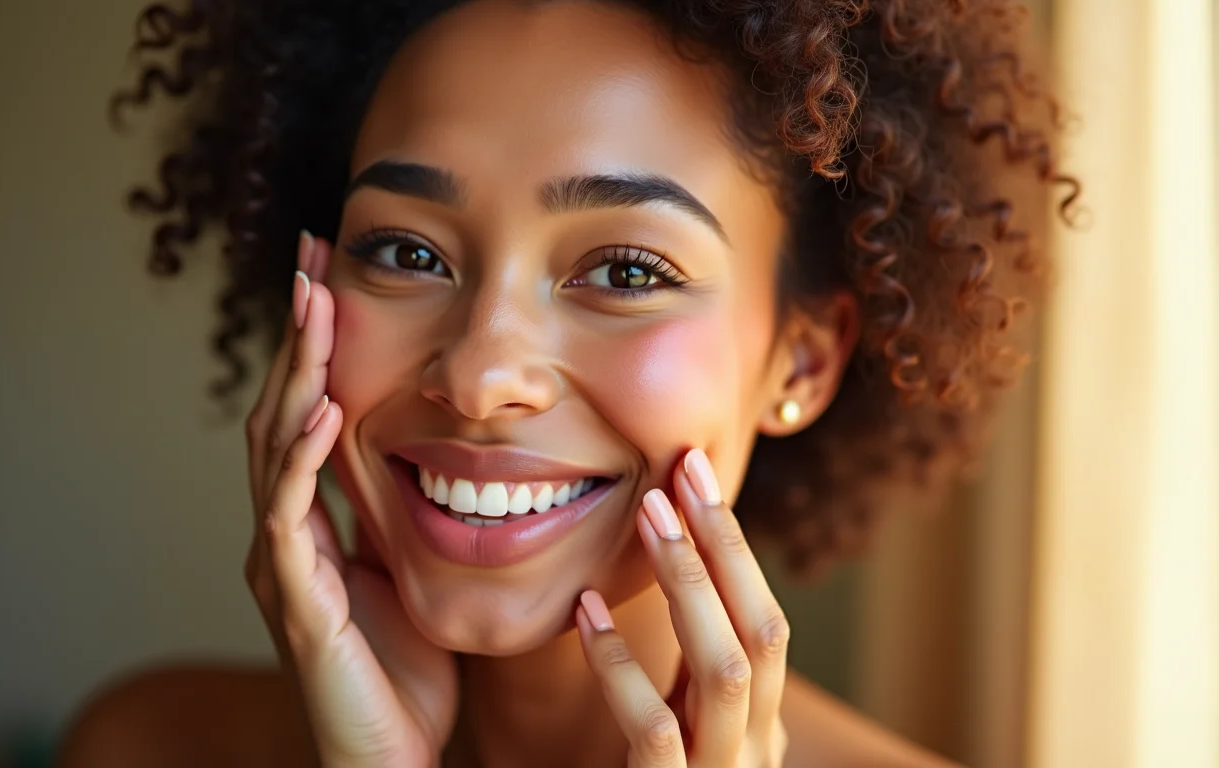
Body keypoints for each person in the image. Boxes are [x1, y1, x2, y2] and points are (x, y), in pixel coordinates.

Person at [62, 0, 1076, 765]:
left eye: (627, 273)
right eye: (408, 254)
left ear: (799, 362)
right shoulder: (142, 745)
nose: (478, 373)